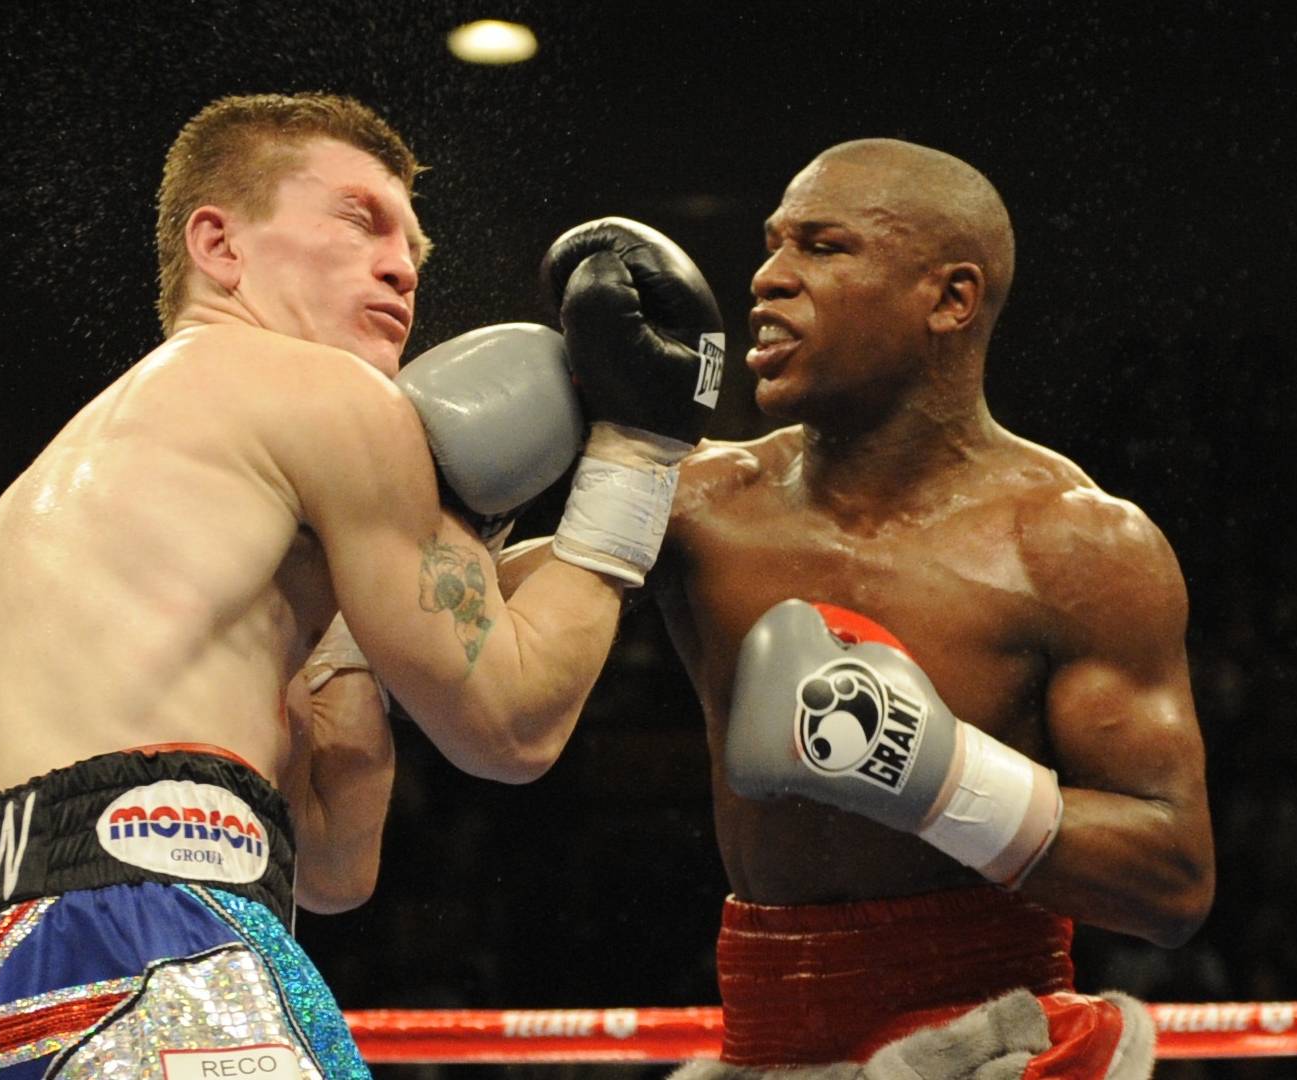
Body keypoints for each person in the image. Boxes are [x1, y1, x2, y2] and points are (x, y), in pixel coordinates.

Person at [0, 92, 723, 1080]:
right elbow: (511, 724)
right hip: (147, 945)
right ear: (219, 246)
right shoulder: (321, 393)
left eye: (413, 245)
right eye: (360, 220)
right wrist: (637, 458)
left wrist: (361, 605)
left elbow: (331, 865)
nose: (402, 265)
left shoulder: (97, 477)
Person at [508, 139, 1213, 1079]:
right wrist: (497, 464)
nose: (767, 277)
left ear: (950, 299)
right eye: (773, 244)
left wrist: (941, 777)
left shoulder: (1074, 545)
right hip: (763, 1048)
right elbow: (454, 649)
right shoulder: (700, 502)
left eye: (823, 246)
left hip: (994, 1049)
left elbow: (1173, 880)